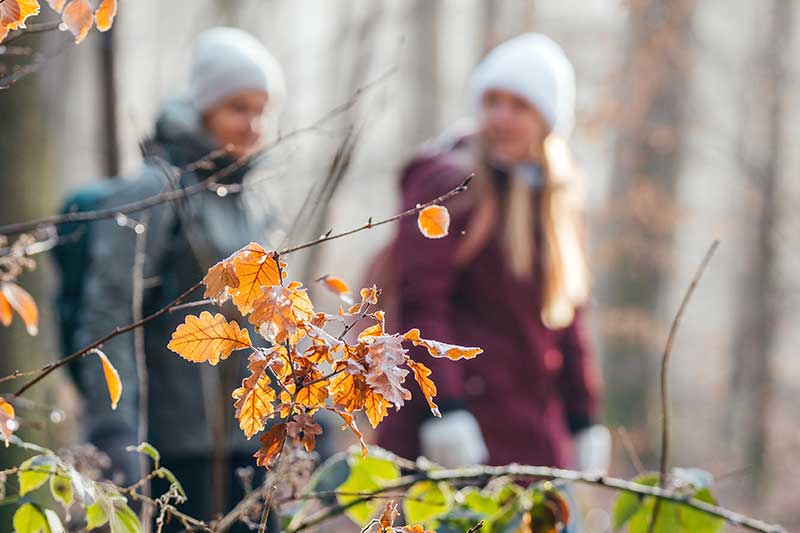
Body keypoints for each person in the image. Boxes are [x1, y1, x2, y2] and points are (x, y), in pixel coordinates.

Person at [68, 27, 285, 526]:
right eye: (238, 108)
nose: (253, 125)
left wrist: (306, 413)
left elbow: (275, 321)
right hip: (175, 448)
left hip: (252, 442)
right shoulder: (154, 192)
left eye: (262, 110)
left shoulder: (254, 201)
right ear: (204, 108)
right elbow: (108, 311)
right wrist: (114, 427)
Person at [374, 34, 608, 473]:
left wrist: (583, 418)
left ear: (547, 120)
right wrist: (444, 409)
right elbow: (421, 303)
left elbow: (568, 318)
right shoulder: (449, 183)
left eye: (519, 106)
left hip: (532, 436)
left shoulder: (556, 201)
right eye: (493, 101)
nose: (501, 117)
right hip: (456, 437)